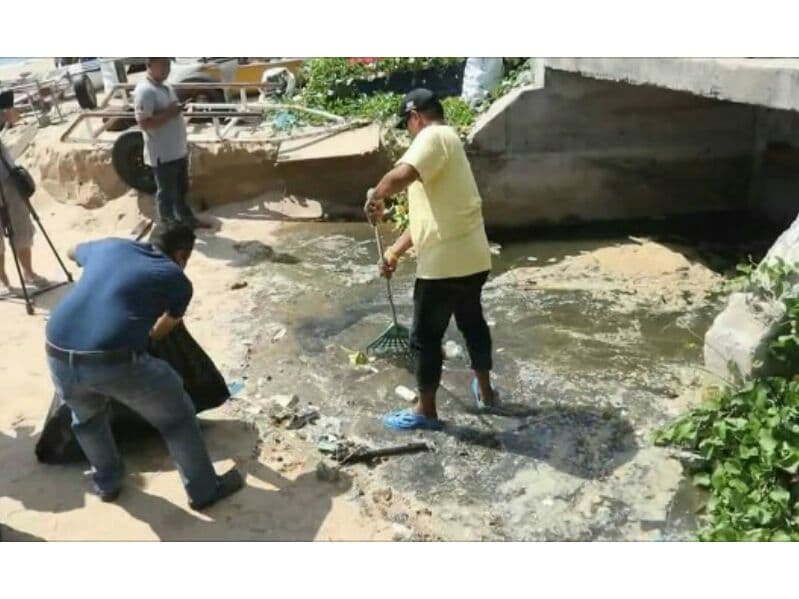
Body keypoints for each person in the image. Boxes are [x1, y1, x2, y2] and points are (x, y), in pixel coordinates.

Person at [44, 222, 242, 509]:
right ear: (183, 255)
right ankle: (204, 491)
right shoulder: (176, 278)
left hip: (56, 350)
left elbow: (71, 250)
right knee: (177, 417)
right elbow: (161, 331)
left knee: (87, 419)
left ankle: (108, 482)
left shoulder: (111, 245)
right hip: (110, 360)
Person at [365, 88, 497, 431]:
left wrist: (376, 194)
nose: (408, 131)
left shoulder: (433, 135)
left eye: (407, 124)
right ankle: (486, 393)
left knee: (425, 337)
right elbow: (425, 222)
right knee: (472, 324)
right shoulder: (447, 149)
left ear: (416, 117)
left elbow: (401, 175)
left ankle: (426, 411)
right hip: (473, 258)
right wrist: (394, 252)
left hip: (444, 266)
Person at [133, 58, 208, 229]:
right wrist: (169, 113)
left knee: (181, 191)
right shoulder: (145, 91)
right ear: (149, 65)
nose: (167, 68)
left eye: (168, 64)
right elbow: (144, 123)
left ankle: (187, 221)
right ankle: (168, 230)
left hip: (178, 150)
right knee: (166, 195)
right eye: (163, 64)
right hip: (163, 154)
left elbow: (172, 110)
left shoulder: (166, 86)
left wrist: (180, 109)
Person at [0, 94, 48, 297]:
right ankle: (3, 282)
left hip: (7, 179)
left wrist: (5, 110)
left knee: (21, 226)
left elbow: (13, 117)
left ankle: (28, 273)